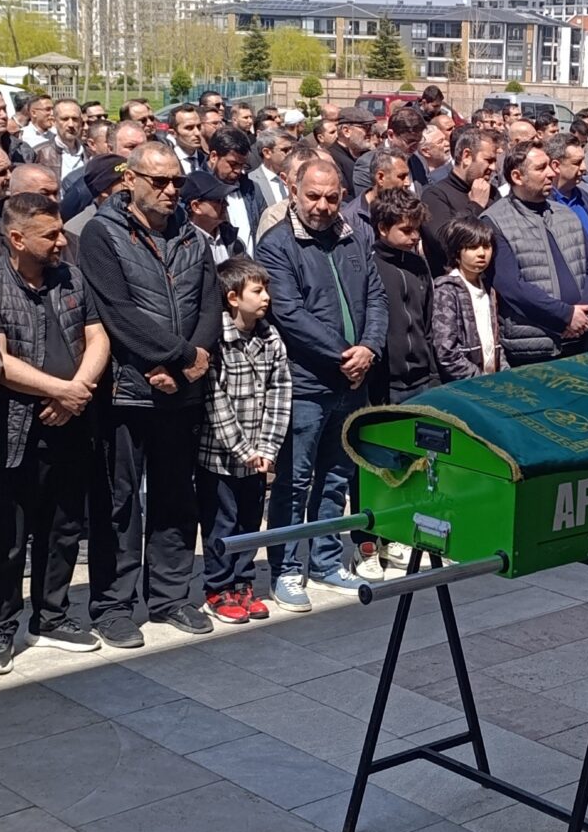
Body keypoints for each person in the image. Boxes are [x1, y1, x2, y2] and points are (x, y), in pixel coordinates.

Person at [72, 143, 219, 647]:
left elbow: (209, 304)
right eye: (159, 181)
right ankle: (113, 605)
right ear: (130, 180)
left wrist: (191, 362)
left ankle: (171, 596)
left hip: (182, 389)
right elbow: (116, 310)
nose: (171, 190)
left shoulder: (191, 235)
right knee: (119, 503)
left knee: (176, 497)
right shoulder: (103, 233)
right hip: (128, 389)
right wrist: (179, 356)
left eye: (177, 181)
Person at [0, 193, 109, 671]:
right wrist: (60, 390)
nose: (60, 242)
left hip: (72, 423)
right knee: (8, 534)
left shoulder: (72, 276)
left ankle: (51, 615)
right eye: (49, 235)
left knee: (64, 526)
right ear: (17, 238)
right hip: (12, 431)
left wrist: (78, 391)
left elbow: (97, 336)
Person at [261, 158, 388, 607]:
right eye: (313, 196)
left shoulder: (354, 237)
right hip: (307, 383)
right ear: (293, 191)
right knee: (295, 480)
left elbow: (376, 297)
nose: (322, 206)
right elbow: (289, 313)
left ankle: (326, 560)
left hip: (354, 382)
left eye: (332, 198)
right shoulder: (277, 246)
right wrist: (344, 355)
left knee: (337, 475)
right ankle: (285, 568)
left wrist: (368, 348)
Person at [199, 257, 291, 625]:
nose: (266, 297)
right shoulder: (217, 340)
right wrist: (243, 450)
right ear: (233, 297)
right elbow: (215, 400)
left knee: (251, 521)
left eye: (266, 289)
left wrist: (267, 448)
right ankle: (218, 587)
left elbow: (280, 392)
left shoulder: (271, 338)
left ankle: (243, 583)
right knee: (222, 522)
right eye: (258, 290)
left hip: (258, 456)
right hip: (221, 457)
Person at [484, 139, 588, 364]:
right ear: (517, 177)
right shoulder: (495, 221)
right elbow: (512, 287)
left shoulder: (565, 214)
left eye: (550, 165)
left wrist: (584, 314)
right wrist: (565, 316)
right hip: (535, 348)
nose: (551, 173)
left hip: (582, 338)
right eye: (541, 168)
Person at [367, 186, 438, 401]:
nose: (415, 236)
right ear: (383, 228)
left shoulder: (418, 265)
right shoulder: (369, 266)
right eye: (406, 230)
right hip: (385, 384)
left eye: (417, 229)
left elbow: (428, 323)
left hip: (423, 379)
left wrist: (433, 372)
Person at [432, 217, 505, 380]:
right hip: (467, 384)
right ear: (457, 252)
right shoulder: (447, 289)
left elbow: (496, 342)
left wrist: (503, 375)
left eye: (486, 246)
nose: (482, 253)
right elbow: (446, 352)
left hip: (492, 379)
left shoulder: (489, 288)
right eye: (473, 247)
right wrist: (479, 379)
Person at [419, 127, 497, 271]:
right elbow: (444, 242)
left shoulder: (492, 192)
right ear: (466, 156)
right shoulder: (434, 195)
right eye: (488, 160)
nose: (493, 167)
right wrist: (475, 206)